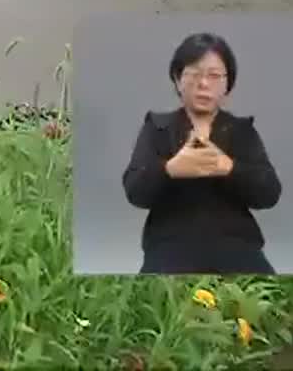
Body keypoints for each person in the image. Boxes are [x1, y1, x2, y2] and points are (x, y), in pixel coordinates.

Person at [121, 32, 282, 274]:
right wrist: (171, 169)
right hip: (169, 244)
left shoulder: (242, 131)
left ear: (228, 84)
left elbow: (269, 193)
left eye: (215, 75)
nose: (204, 84)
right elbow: (134, 190)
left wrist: (228, 167)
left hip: (237, 244)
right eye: (194, 74)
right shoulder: (157, 126)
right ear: (177, 80)